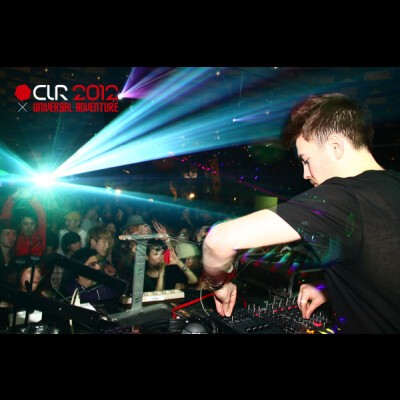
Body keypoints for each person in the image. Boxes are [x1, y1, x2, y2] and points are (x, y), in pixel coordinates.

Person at [202, 93, 400, 334]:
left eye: (306, 160)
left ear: (335, 147)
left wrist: (219, 284)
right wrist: (326, 287)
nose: (306, 174)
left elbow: (218, 242)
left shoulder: (342, 196)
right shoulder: (392, 184)